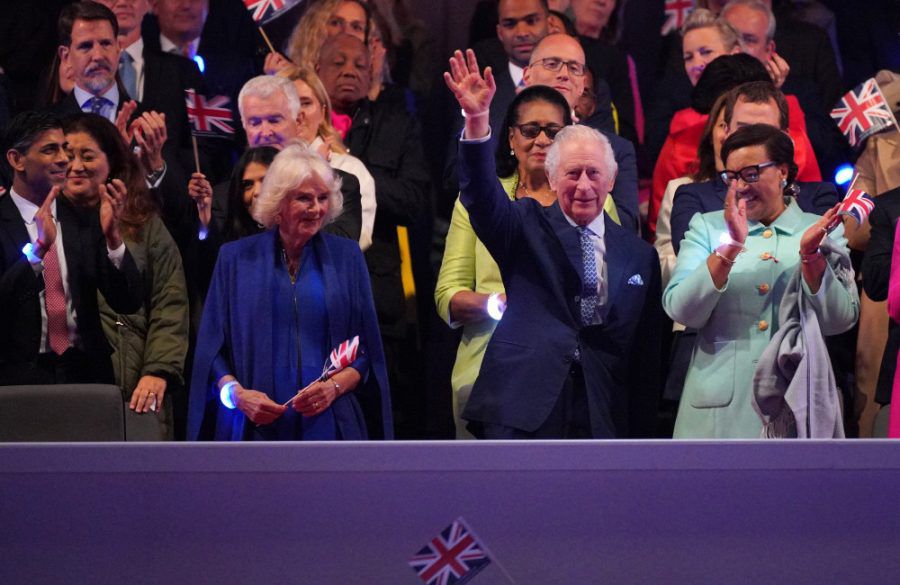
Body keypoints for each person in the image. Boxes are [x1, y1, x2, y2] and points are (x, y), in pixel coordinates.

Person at [444, 49, 662, 439]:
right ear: (554, 178)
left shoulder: (639, 256)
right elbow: (479, 193)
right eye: (572, 174)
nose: (583, 186)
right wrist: (476, 121)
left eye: (594, 174)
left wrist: (642, 432)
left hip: (602, 410)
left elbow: (645, 354)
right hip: (523, 404)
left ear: (611, 181)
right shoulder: (523, 224)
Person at [663, 124, 858, 438]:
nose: (740, 186)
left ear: (783, 171)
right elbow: (682, 310)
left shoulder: (822, 229)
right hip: (716, 412)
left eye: (751, 173)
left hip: (796, 403)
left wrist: (811, 258)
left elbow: (840, 319)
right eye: (732, 176)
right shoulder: (707, 227)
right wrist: (730, 248)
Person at [188, 144, 392, 441]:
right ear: (278, 203)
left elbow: (366, 349)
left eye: (323, 198)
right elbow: (211, 350)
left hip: (331, 426)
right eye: (304, 198)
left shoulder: (347, 257)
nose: (317, 208)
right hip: (251, 427)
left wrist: (334, 388)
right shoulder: (234, 259)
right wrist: (237, 395)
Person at [436, 85, 602, 438]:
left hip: (572, 375)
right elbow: (448, 296)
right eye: (530, 130)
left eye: (553, 132)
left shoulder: (592, 200)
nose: (541, 140)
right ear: (511, 137)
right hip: (490, 371)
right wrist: (502, 305)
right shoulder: (478, 202)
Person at [316, 33, 430, 436]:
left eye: (360, 65)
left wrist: (351, 165)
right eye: (338, 62)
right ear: (317, 70)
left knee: (381, 415)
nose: (349, 70)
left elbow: (415, 199)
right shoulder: (300, 120)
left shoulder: (397, 123)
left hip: (377, 293)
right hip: (311, 296)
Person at [62, 113, 188, 427]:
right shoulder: (42, 220)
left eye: (87, 156)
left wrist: (158, 370)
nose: (75, 166)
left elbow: (169, 301)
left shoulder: (143, 222)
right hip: (59, 379)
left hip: (134, 383)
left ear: (112, 163)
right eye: (67, 156)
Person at [0, 111, 141, 384]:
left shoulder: (82, 216)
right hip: (17, 380)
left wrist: (113, 239)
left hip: (85, 375)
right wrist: (38, 250)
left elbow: (128, 300)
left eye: (63, 149)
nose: (64, 159)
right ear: (17, 160)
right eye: (50, 150)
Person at [276, 66, 377, 251]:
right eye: (289, 104)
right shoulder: (261, 170)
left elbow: (358, 239)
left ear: (322, 114)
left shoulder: (349, 169)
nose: (298, 113)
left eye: (305, 103)